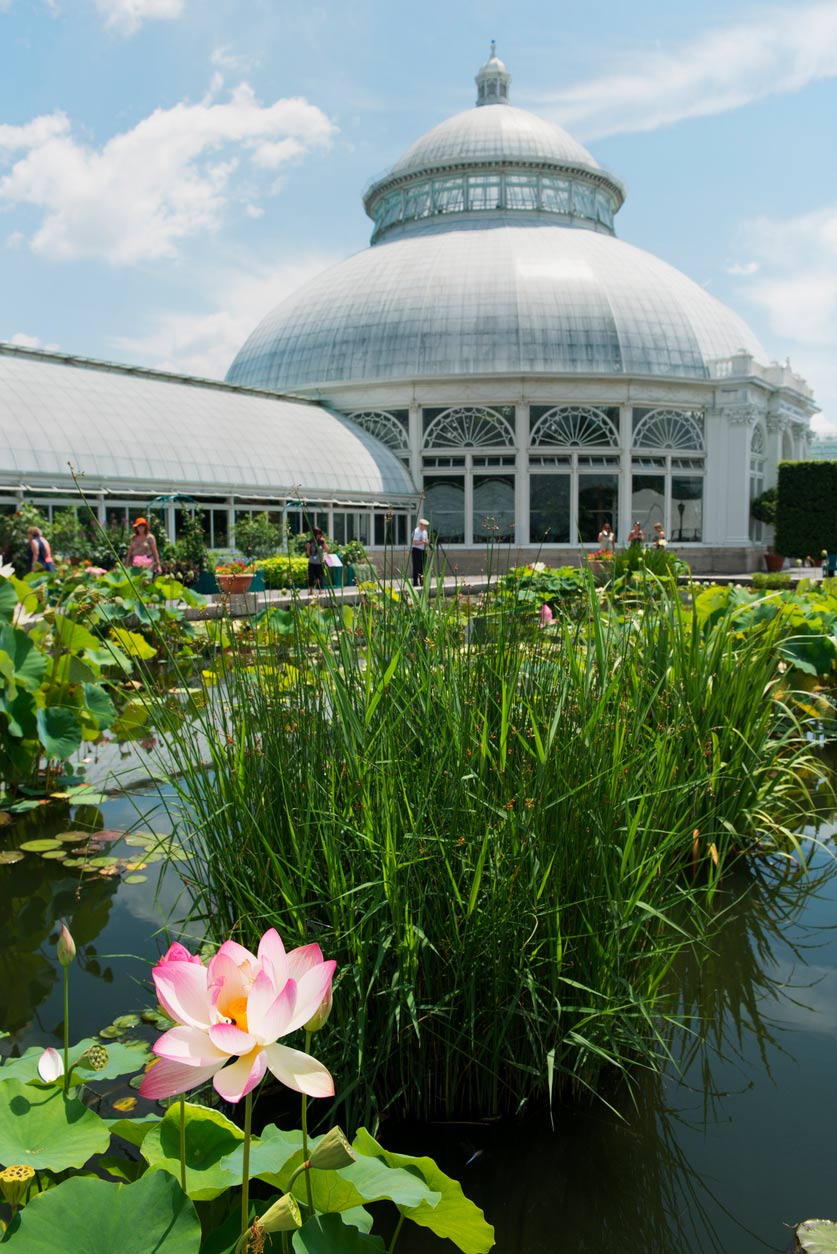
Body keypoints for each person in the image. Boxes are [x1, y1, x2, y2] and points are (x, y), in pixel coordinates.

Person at [306, 526, 328, 592]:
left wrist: (324, 543)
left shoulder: (321, 541)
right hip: (312, 562)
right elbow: (308, 554)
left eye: (320, 534)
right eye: (317, 534)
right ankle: (311, 591)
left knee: (319, 577)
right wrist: (308, 548)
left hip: (319, 562)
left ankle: (320, 590)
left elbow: (327, 549)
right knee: (311, 577)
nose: (319, 535)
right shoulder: (310, 542)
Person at [411, 517, 429, 586]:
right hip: (416, 550)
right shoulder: (416, 531)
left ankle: (422, 582)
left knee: (422, 567)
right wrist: (423, 542)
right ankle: (415, 583)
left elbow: (425, 540)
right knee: (416, 567)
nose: (425, 527)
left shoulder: (425, 532)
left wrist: (426, 542)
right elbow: (414, 542)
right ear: (421, 525)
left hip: (423, 550)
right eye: (425, 526)